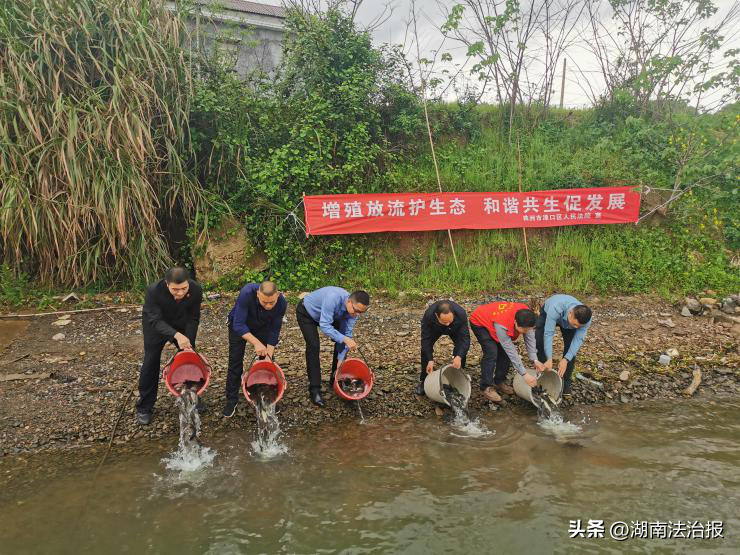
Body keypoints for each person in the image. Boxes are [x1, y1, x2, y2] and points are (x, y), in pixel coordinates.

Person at [136, 267, 202, 425]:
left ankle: (191, 396)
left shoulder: (196, 290)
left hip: (181, 322)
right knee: (150, 361)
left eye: (183, 289)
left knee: (188, 358)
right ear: (167, 284)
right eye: (175, 289)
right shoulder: (153, 291)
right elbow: (155, 320)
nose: (180, 293)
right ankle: (144, 406)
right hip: (156, 325)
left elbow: (193, 318)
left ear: (188, 283)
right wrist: (176, 335)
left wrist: (188, 341)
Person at [296, 287, 370, 407]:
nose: (357, 314)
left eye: (361, 312)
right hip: (307, 313)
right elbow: (325, 326)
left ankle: (335, 378)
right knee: (313, 346)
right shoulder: (333, 297)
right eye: (356, 310)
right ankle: (314, 389)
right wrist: (345, 339)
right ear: (349, 302)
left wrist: (341, 360)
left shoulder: (353, 312)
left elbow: (347, 334)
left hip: (331, 316)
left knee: (343, 339)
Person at [223, 280, 287, 418]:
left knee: (267, 362)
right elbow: (238, 325)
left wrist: (268, 357)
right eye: (265, 302)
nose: (269, 306)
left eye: (272, 302)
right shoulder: (247, 293)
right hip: (239, 325)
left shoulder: (282, 303)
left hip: (263, 326)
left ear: (278, 295)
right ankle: (231, 400)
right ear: (258, 294)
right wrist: (256, 343)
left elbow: (274, 330)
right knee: (235, 361)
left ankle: (268, 397)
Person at [469, 301, 541, 402]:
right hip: (480, 322)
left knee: (504, 353)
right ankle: (486, 387)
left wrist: (535, 360)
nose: (526, 332)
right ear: (515, 322)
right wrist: (524, 374)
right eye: (523, 330)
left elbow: (530, 339)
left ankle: (499, 381)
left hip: (494, 320)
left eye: (528, 329)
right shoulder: (502, 325)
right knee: (491, 352)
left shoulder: (527, 317)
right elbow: (510, 350)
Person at [535, 294, 592, 397]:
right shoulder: (556, 308)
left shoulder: (586, 319)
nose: (576, 327)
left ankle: (566, 382)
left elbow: (578, 339)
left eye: (579, 326)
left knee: (571, 349)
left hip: (567, 319)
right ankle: (544, 375)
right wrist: (549, 358)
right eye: (575, 324)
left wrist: (566, 359)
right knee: (539, 341)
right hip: (548, 312)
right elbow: (549, 333)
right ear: (570, 313)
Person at [416, 300, 471, 396]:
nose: (447, 324)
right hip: (435, 328)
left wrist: (459, 356)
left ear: (453, 314)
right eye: (444, 321)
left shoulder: (461, 314)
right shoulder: (429, 316)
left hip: (455, 328)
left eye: (449, 320)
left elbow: (465, 339)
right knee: (425, 351)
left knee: (461, 350)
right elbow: (426, 341)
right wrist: (429, 359)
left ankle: (458, 378)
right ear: (437, 316)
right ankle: (424, 380)